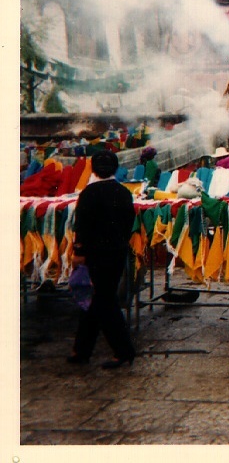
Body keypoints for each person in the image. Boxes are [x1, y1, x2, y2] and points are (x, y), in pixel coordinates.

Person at [67, 151, 136, 369]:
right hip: (116, 252)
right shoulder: (124, 192)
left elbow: (82, 226)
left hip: (95, 253)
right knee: (94, 299)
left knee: (103, 301)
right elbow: (128, 223)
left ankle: (123, 350)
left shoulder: (89, 193)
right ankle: (82, 350)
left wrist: (79, 251)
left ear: (93, 169)